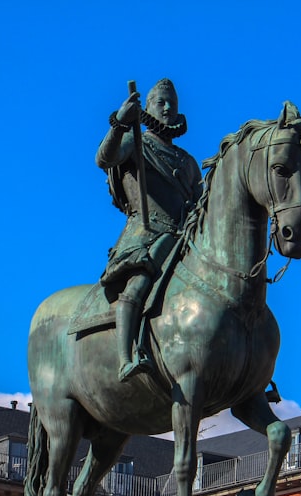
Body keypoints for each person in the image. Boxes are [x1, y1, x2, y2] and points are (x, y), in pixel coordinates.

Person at [96, 78, 202, 382]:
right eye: (161, 102)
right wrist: (119, 124)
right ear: (146, 107)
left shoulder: (188, 161)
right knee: (139, 283)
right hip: (145, 235)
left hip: (181, 239)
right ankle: (125, 357)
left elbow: (198, 203)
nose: (168, 108)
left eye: (173, 103)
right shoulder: (135, 142)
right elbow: (104, 158)